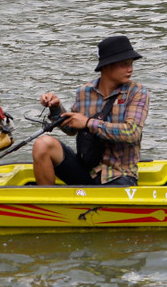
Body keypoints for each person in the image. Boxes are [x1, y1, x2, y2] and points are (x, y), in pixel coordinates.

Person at [32, 35, 150, 186]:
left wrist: (88, 123)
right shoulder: (84, 92)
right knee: (43, 144)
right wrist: (56, 108)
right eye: (124, 64)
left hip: (120, 176)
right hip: (86, 171)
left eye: (131, 64)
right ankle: (46, 204)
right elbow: (71, 128)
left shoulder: (137, 92)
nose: (130, 69)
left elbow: (132, 133)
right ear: (107, 66)